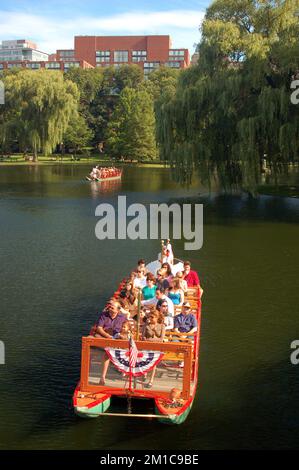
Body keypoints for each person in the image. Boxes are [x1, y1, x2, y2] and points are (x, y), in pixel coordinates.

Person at [142, 311, 165, 388]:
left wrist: (150, 339)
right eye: (149, 317)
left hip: (156, 346)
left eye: (152, 317)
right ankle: (145, 373)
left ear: (157, 318)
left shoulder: (161, 326)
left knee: (153, 362)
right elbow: (143, 337)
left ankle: (151, 380)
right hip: (147, 346)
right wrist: (146, 340)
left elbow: (161, 339)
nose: (150, 319)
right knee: (144, 359)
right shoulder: (146, 325)